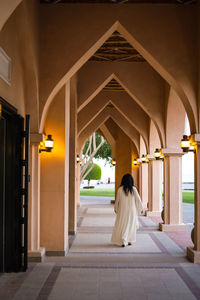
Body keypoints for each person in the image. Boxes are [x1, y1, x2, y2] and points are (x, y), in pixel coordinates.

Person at [111, 174, 143, 247]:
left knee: (123, 224)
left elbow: (117, 201)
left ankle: (125, 240)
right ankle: (127, 240)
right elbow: (138, 200)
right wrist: (140, 208)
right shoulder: (133, 189)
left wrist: (116, 209)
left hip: (122, 210)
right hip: (132, 210)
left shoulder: (120, 189)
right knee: (130, 224)